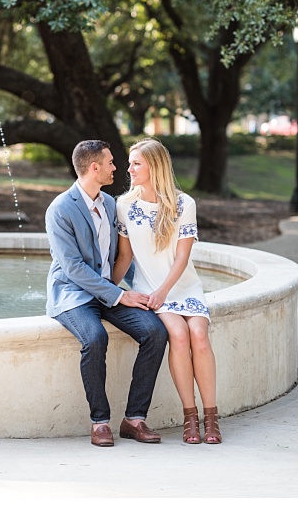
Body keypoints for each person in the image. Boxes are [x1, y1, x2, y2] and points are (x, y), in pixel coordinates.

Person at [46, 140, 168, 447]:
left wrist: (147, 289)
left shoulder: (111, 204)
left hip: (108, 291)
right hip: (73, 295)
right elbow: (72, 268)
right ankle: (99, 422)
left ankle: (134, 419)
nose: (117, 168)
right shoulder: (60, 209)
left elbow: (121, 256)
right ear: (94, 167)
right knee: (95, 338)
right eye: (111, 162)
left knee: (155, 331)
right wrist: (118, 295)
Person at [112, 138, 220, 445]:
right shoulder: (124, 205)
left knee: (199, 335)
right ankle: (190, 417)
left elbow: (183, 258)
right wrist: (107, 291)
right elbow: (125, 257)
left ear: (154, 166)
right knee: (179, 334)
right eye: (130, 162)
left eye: (136, 163)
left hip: (182, 287)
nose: (129, 168)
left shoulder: (184, 204)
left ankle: (211, 417)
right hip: (148, 289)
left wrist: (164, 291)